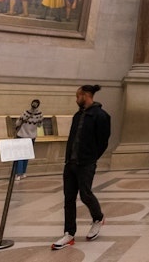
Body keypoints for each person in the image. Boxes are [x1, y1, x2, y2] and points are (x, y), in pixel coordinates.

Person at [52, 84, 111, 250]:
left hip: (86, 163)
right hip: (70, 163)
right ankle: (69, 233)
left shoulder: (101, 116)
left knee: (85, 194)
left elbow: (103, 141)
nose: (76, 99)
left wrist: (91, 158)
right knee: (68, 198)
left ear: (85, 95)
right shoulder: (78, 115)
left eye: (78, 96)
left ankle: (98, 217)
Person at [14, 99, 43, 179]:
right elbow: (40, 125)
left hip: (22, 136)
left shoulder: (25, 112)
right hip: (31, 137)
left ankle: (18, 174)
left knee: (19, 155)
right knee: (26, 155)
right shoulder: (40, 114)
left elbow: (18, 123)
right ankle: (23, 173)